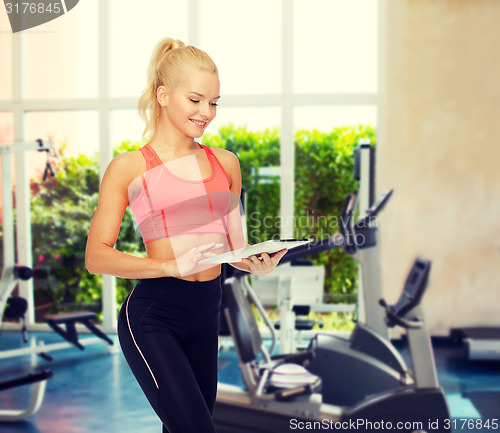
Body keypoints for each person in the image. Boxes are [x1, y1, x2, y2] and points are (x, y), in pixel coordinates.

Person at [85, 37, 287, 433]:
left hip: (206, 309)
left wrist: (255, 263)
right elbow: (96, 257)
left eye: (213, 102)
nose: (206, 112)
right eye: (195, 100)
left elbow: (235, 247)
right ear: (163, 95)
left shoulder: (225, 163)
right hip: (154, 313)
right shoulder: (129, 168)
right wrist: (167, 264)